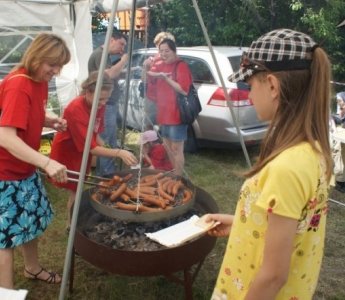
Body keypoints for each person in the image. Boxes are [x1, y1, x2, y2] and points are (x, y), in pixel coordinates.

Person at [206, 29, 333, 300]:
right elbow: (293, 224)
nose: (249, 95)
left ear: (273, 85)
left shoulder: (287, 167)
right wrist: (239, 223)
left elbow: (274, 275)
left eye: (250, 86)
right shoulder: (311, 151)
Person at [0, 33, 71, 288]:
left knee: (30, 222)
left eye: (60, 66)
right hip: (4, 173)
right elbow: (5, 137)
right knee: (4, 240)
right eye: (53, 64)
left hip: (24, 168)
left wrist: (49, 119)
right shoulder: (19, 84)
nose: (56, 71)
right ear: (37, 56)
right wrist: (47, 162)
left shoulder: (38, 80)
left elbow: (30, 113)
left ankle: (32, 269)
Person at [49, 71, 138, 227]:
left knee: (79, 187)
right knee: (75, 191)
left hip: (82, 150)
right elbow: (91, 148)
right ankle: (71, 226)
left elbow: (95, 135)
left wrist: (112, 148)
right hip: (68, 152)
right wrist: (118, 153)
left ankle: (73, 224)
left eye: (106, 99)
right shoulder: (75, 108)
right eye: (100, 99)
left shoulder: (98, 105)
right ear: (88, 92)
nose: (103, 103)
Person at [146, 38, 193, 176]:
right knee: (167, 147)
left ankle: (178, 178)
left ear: (174, 51)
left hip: (176, 115)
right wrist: (147, 67)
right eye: (161, 51)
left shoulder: (181, 65)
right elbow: (149, 76)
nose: (164, 54)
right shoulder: (159, 64)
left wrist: (166, 78)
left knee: (176, 148)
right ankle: (174, 174)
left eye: (167, 51)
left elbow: (184, 90)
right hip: (163, 114)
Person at [88, 30, 128, 178]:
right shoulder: (100, 55)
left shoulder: (106, 57)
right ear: (111, 40)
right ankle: (107, 176)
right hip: (105, 105)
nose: (122, 48)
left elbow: (108, 76)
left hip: (109, 104)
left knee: (110, 139)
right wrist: (124, 60)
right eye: (121, 44)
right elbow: (108, 75)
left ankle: (106, 174)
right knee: (106, 141)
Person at [141, 32, 176, 129]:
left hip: (168, 100)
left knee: (165, 128)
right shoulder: (151, 60)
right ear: (157, 46)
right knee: (149, 126)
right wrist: (146, 67)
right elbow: (144, 79)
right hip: (152, 98)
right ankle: (149, 144)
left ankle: (162, 144)